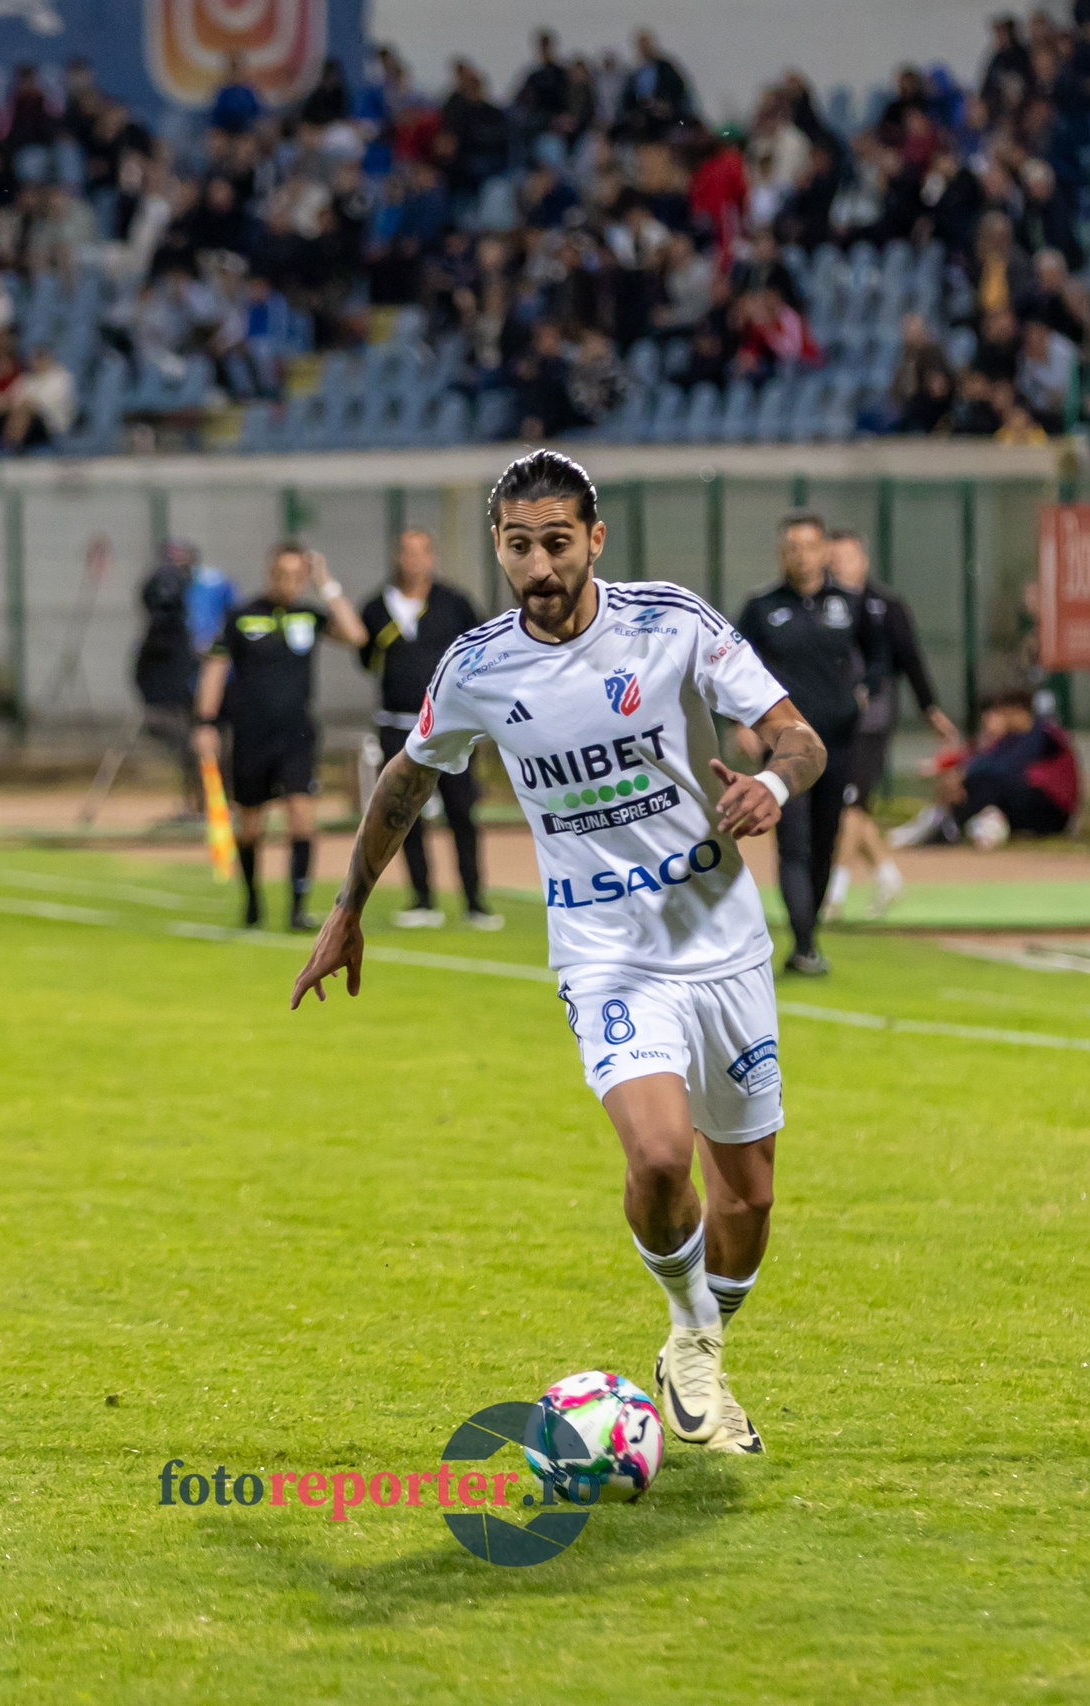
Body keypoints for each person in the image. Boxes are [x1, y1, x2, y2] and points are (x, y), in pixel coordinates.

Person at [294, 450, 822, 1456]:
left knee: (747, 1195)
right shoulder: (478, 666)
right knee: (661, 1152)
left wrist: (773, 786)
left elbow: (797, 737)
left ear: (594, 539)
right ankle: (688, 1325)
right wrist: (349, 903)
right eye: (516, 545)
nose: (537, 566)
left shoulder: (671, 622)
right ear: (497, 546)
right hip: (603, 952)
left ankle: (697, 1341)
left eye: (555, 542)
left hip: (720, 939)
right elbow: (407, 780)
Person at [735, 513, 885, 976]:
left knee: (826, 842)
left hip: (838, 745)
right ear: (782, 553)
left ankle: (809, 934)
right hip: (784, 752)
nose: (800, 554)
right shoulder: (761, 608)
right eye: (791, 547)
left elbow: (880, 656)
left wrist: (864, 692)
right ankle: (803, 945)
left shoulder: (850, 604)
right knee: (793, 844)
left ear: (824, 550)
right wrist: (744, 720)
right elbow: (735, 665)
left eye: (809, 545)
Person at [193, 543, 367, 930]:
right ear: (270, 573)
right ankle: (253, 900)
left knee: (302, 816)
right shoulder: (242, 616)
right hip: (251, 733)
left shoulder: (309, 615)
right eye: (282, 575)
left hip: (297, 732)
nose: (290, 583)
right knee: (251, 824)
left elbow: (356, 635)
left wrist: (326, 583)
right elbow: (215, 669)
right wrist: (205, 724)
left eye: (297, 576)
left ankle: (298, 908)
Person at [358, 528, 495, 929]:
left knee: (461, 813)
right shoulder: (376, 607)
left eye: (420, 552)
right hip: (397, 726)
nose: (413, 560)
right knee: (404, 815)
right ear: (396, 557)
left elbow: (481, 651)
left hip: (450, 728)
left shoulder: (454, 603)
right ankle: (422, 900)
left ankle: (474, 901)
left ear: (431, 557)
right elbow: (365, 659)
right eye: (406, 552)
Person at [823, 532, 959, 919]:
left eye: (846, 557)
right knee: (848, 806)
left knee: (851, 805)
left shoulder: (885, 606)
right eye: (833, 559)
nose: (839, 566)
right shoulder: (821, 606)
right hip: (831, 720)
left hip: (871, 720)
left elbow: (909, 658)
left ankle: (833, 893)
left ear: (863, 560)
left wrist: (930, 707)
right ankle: (887, 875)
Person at [132, 540, 215, 816]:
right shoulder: (160, 628)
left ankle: (203, 803)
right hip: (170, 692)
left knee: (200, 747)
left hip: (194, 690)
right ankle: (195, 804)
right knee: (186, 747)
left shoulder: (207, 589)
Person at [930, 691, 1077, 842]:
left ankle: (952, 827)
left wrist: (966, 774)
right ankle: (950, 825)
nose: (1003, 719)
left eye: (1006, 714)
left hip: (1053, 809)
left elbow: (1010, 767)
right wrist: (962, 774)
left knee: (990, 783)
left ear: (1019, 711)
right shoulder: (1011, 738)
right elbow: (987, 759)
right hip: (1026, 800)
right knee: (979, 783)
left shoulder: (1043, 734)